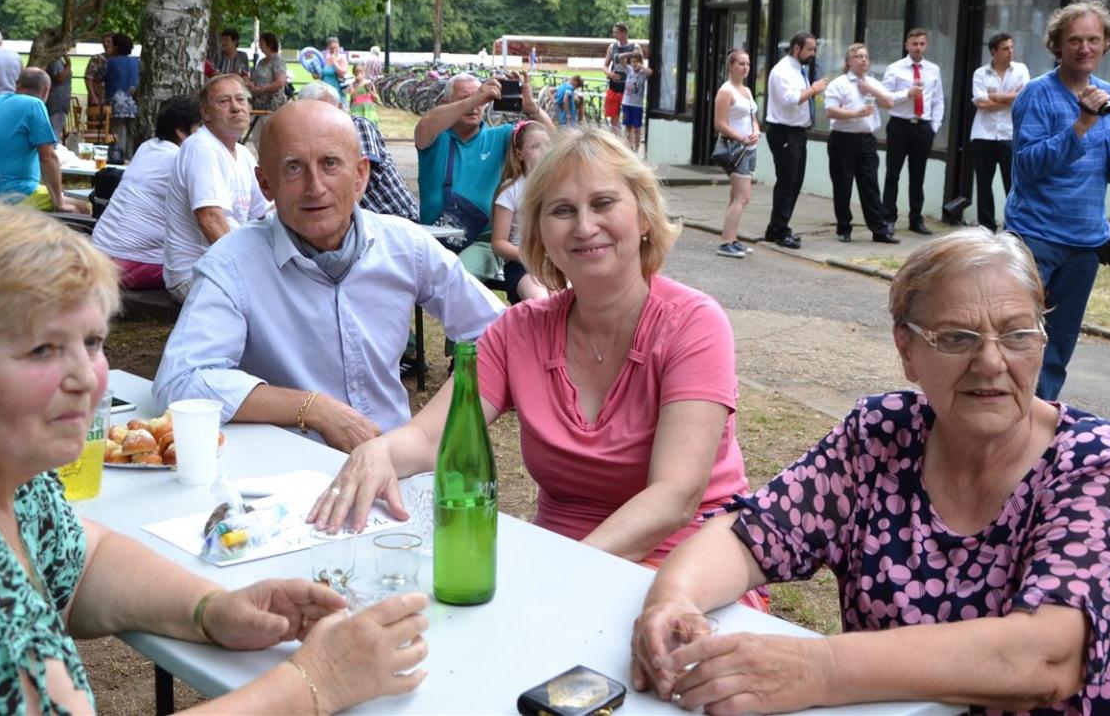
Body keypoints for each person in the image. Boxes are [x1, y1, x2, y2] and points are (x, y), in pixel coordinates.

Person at [0, 203, 429, 714]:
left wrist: (212, 609)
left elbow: (80, 561)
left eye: (91, 342)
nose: (87, 379)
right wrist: (314, 684)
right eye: (42, 350)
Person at [630, 227, 1110, 715]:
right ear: (907, 350)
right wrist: (673, 601)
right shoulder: (882, 435)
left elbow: (1047, 656)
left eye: (1017, 334)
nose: (990, 361)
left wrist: (816, 669)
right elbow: (751, 536)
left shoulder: (1099, 464)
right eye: (956, 338)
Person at [311, 128, 756, 582]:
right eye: (562, 210)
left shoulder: (693, 324)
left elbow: (675, 497)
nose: (584, 226)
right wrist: (379, 452)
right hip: (559, 560)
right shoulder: (519, 330)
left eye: (603, 203)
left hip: (685, 569)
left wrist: (554, 574)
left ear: (644, 217)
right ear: (541, 232)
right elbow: (428, 438)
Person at [154, 100, 503, 452]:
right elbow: (181, 381)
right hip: (287, 469)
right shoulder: (232, 264)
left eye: (330, 163)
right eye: (293, 167)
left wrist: (422, 435)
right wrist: (313, 409)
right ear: (265, 184)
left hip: (397, 463)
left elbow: (499, 336)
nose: (315, 186)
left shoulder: (405, 245)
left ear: (361, 174)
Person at [1004, 0, 1110, 401]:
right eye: (1075, 40)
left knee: (1059, 345)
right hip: (1035, 237)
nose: (1084, 48)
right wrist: (1081, 124)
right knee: (1016, 333)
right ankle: (1005, 411)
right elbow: (1027, 165)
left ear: (1107, 43)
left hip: (1085, 243)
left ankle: (1041, 415)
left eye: (1093, 39)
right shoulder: (1037, 95)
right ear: (1057, 45)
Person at [414, 72, 551, 280]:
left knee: (457, 278)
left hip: (482, 241)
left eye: (482, 99)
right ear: (445, 102)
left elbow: (554, 143)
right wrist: (476, 98)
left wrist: (532, 108)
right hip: (433, 237)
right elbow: (425, 124)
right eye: (464, 98)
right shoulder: (434, 136)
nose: (476, 105)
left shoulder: (500, 136)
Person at [162, 74, 270, 300]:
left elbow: (264, 214)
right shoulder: (201, 148)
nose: (236, 107)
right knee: (275, 301)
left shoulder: (243, 154)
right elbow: (210, 220)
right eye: (224, 101)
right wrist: (250, 269)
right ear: (206, 113)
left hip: (225, 265)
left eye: (241, 99)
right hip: (197, 273)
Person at [92, 96, 202, 290]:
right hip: (132, 264)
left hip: (97, 254)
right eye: (201, 127)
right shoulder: (182, 159)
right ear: (181, 131)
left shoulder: (147, 147)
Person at [0, 68, 86, 214]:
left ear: (17, 86)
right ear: (46, 91)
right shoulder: (34, 104)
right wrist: (59, 202)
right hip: (11, 195)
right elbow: (48, 157)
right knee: (82, 207)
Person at [298, 81, 418, 221]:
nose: (320, 118)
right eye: (312, 113)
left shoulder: (357, 126)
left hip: (396, 217)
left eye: (325, 111)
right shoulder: (315, 139)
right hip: (365, 223)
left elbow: (356, 180)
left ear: (340, 107)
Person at [823, 43, 899, 244]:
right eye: (858, 56)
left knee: (870, 186)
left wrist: (871, 90)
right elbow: (830, 111)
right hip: (843, 139)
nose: (863, 60)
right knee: (843, 186)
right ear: (849, 61)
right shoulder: (838, 83)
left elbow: (889, 103)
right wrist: (855, 113)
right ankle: (844, 228)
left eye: (866, 56)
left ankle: (879, 230)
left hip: (866, 140)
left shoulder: (872, 82)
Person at [763, 32, 828, 250]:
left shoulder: (798, 70)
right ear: (797, 49)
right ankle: (781, 230)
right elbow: (790, 100)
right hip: (784, 131)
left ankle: (775, 227)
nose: (813, 54)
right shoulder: (783, 71)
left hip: (797, 132)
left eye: (814, 49)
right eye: (809, 49)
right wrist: (814, 90)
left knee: (795, 182)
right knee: (787, 182)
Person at [882, 28, 946, 235]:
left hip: (923, 126)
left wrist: (934, 126)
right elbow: (885, 97)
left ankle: (916, 219)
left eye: (922, 44)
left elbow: (938, 100)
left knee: (918, 176)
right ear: (907, 46)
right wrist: (906, 94)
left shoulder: (933, 70)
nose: (918, 48)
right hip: (899, 125)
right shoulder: (895, 68)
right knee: (893, 174)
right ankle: (888, 218)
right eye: (914, 44)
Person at [970, 32, 1030, 231]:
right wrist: (1011, 98)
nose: (1010, 51)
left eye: (1011, 47)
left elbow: (1025, 97)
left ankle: (1014, 226)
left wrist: (996, 96)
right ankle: (986, 227)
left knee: (1012, 184)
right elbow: (981, 103)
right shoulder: (980, 73)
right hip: (983, 135)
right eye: (1005, 48)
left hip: (1009, 135)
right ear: (994, 51)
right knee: (984, 184)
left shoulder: (1021, 70)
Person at [490, 121, 552, 303]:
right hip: (521, 264)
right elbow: (498, 243)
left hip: (555, 263)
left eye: (547, 145)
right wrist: (529, 256)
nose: (543, 151)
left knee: (568, 299)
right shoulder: (511, 190)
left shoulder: (559, 187)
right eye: (535, 146)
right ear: (519, 154)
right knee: (541, 300)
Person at [713, 49, 761, 259]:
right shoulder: (726, 91)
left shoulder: (747, 91)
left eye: (747, 64)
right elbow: (720, 124)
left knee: (735, 196)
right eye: (741, 63)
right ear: (731, 66)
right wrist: (741, 138)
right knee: (743, 197)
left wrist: (756, 131)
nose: (745, 67)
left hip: (750, 148)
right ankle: (725, 242)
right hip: (735, 148)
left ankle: (732, 238)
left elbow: (752, 117)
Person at [104, 33, 140, 160]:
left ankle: (117, 157)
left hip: (116, 104)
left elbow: (100, 78)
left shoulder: (110, 62)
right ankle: (131, 158)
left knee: (117, 133)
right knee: (132, 135)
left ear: (116, 47)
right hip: (134, 105)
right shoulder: (137, 62)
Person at [603, 23, 639, 131]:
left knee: (628, 118)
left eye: (616, 32)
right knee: (613, 117)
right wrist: (609, 74)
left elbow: (640, 66)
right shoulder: (612, 47)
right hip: (614, 88)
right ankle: (616, 138)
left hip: (628, 90)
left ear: (624, 33)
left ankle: (628, 139)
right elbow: (605, 66)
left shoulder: (635, 47)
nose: (614, 35)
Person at [621, 53, 653, 156]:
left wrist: (642, 66)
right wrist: (630, 53)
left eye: (636, 62)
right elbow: (620, 58)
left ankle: (636, 149)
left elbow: (650, 72)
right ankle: (628, 147)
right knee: (627, 126)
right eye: (632, 62)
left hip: (637, 105)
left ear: (640, 62)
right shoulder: (629, 70)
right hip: (627, 103)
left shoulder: (643, 73)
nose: (634, 64)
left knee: (637, 128)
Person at [250, 31, 288, 114]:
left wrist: (262, 89)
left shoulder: (278, 60)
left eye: (262, 43)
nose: (260, 45)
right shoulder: (261, 62)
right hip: (258, 104)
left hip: (273, 105)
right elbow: (254, 78)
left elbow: (280, 82)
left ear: (270, 44)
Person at [46, 52, 73, 142]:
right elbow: (60, 77)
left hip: (60, 100)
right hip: (57, 101)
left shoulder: (57, 61)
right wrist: (69, 63)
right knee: (54, 131)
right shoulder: (55, 62)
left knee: (56, 130)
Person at [85, 33, 113, 107]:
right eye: (104, 42)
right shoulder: (98, 58)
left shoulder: (119, 59)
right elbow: (88, 78)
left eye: (108, 41)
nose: (106, 44)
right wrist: (92, 96)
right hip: (98, 98)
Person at [320, 36, 349, 107]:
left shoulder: (342, 59)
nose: (334, 50)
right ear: (328, 48)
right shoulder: (325, 60)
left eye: (336, 47)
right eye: (332, 48)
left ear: (339, 47)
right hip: (326, 92)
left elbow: (342, 73)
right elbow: (320, 76)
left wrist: (335, 62)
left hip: (338, 92)